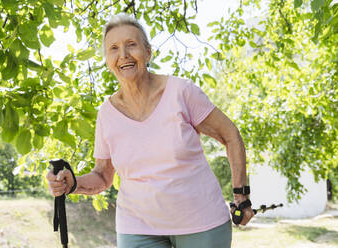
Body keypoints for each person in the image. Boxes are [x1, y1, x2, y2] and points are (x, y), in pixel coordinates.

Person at [46, 14, 254, 248]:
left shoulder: (181, 92)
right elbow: (103, 177)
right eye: (113, 48)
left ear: (148, 52)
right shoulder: (106, 114)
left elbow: (230, 135)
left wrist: (241, 196)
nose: (123, 54)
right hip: (137, 227)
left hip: (201, 222)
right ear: (107, 60)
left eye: (131, 45)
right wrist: (72, 183)